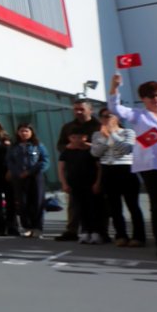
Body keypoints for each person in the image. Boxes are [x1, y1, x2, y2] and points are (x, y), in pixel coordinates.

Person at [108, 75, 157, 259]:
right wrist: (115, 86)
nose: (156, 99)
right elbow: (115, 108)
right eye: (151, 96)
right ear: (143, 99)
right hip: (153, 164)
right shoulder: (138, 115)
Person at [91, 107, 145, 247]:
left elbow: (126, 149)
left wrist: (112, 134)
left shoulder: (128, 132)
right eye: (103, 116)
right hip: (108, 170)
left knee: (133, 205)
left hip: (126, 169)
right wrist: (105, 138)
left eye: (110, 116)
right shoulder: (97, 134)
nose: (106, 118)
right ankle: (121, 235)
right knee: (114, 207)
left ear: (117, 118)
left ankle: (139, 236)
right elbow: (96, 153)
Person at [54, 99, 101, 241]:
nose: (78, 112)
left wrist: (87, 145)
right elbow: (61, 145)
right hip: (74, 168)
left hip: (94, 168)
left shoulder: (98, 126)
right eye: (75, 109)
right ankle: (72, 230)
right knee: (74, 202)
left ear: (90, 110)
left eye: (81, 109)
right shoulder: (68, 127)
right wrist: (70, 147)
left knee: (96, 203)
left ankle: (99, 231)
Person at [58, 129, 104, 244]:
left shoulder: (92, 150)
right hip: (75, 184)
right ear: (69, 138)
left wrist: (98, 182)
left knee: (93, 208)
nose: (77, 140)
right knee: (80, 208)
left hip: (90, 183)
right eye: (74, 137)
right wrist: (64, 183)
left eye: (80, 137)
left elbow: (99, 168)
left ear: (85, 137)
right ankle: (85, 232)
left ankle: (95, 232)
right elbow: (61, 168)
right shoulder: (67, 151)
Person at [6, 123, 48, 238]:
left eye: (26, 131)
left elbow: (44, 160)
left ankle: (38, 227)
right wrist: (17, 172)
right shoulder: (14, 147)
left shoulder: (38, 145)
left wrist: (31, 171)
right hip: (19, 177)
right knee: (23, 202)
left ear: (31, 132)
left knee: (37, 201)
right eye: (21, 131)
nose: (24, 133)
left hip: (35, 177)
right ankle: (27, 227)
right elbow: (9, 161)